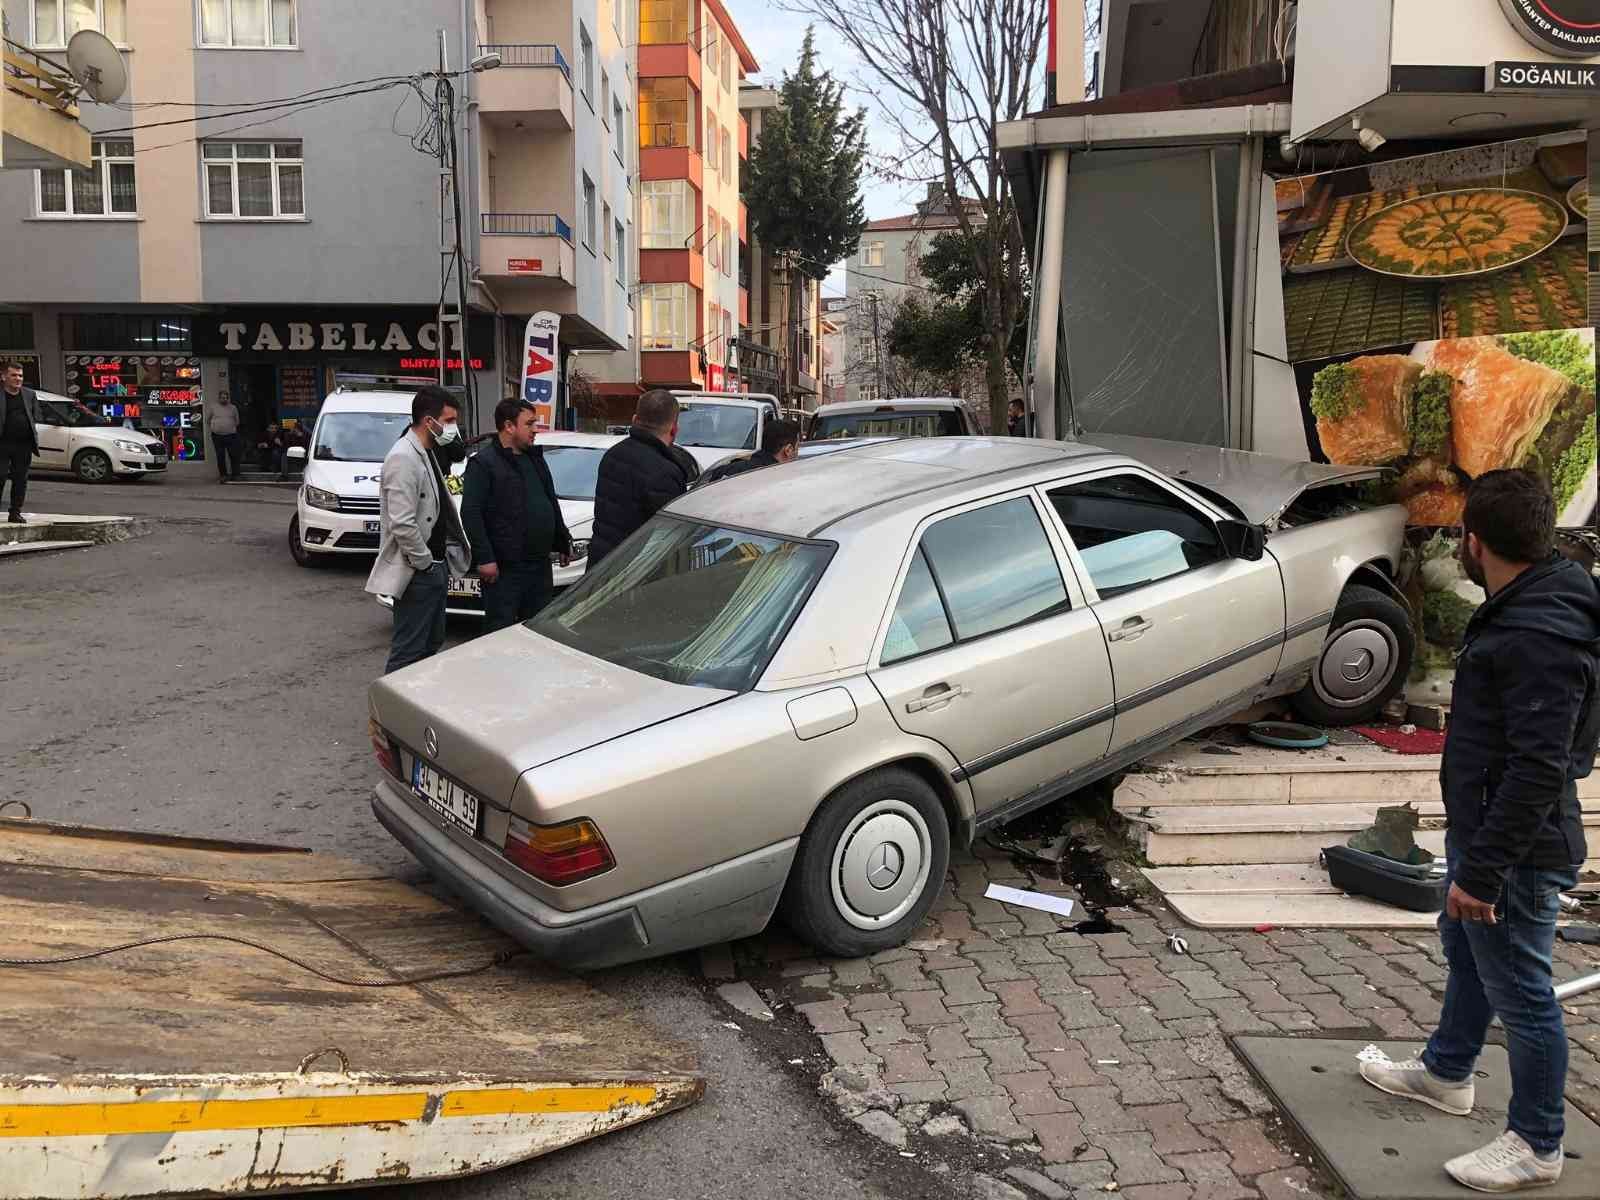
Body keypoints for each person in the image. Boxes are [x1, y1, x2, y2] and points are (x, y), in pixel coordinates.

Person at [1359, 470, 1599, 1193]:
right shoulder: (1537, 597)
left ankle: (1537, 1143)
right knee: (1469, 955)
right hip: (1489, 833)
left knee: (1523, 990)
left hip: (1516, 851)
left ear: (1474, 542)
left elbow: (1538, 769)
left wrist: (1484, 871)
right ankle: (1445, 1072)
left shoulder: (1538, 633)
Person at [364, 385, 473, 674]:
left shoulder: (426, 451)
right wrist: (424, 563)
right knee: (408, 651)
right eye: (449, 421)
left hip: (434, 567)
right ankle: (391, 714)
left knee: (431, 642)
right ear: (429, 421)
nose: (453, 428)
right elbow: (402, 522)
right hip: (417, 572)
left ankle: (415, 706)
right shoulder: (404, 457)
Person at [460, 399, 573, 633]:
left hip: (539, 566)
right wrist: (485, 558)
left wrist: (562, 540)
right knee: (500, 632)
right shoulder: (483, 464)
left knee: (538, 631)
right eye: (529, 423)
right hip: (505, 569)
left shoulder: (535, 459)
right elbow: (471, 513)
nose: (535, 430)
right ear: (509, 426)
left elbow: (549, 502)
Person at [587, 389, 692, 568]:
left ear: (635, 420)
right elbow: (670, 536)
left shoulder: (613, 455)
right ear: (674, 429)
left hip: (600, 564)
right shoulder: (665, 471)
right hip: (634, 572)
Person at [698, 418, 801, 485]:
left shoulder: (724, 470)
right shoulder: (781, 484)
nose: (798, 453)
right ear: (788, 450)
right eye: (797, 447)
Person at [1, 362, 39, 524]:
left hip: (23, 445)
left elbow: (34, 415)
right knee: (0, 476)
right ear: (3, 377)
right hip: (2, 444)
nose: (18, 379)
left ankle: (15, 512)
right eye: (14, 375)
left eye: (20, 375)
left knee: (20, 479)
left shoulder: (29, 395)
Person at [207, 391, 242, 482]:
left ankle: (236, 474)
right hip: (217, 436)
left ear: (228, 398)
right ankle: (223, 475)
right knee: (220, 456)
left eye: (226, 397)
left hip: (231, 435)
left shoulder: (233, 408)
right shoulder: (213, 407)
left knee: (234, 455)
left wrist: (229, 427)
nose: (224, 399)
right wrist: (214, 427)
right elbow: (208, 420)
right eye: (222, 397)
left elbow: (237, 421)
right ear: (219, 398)